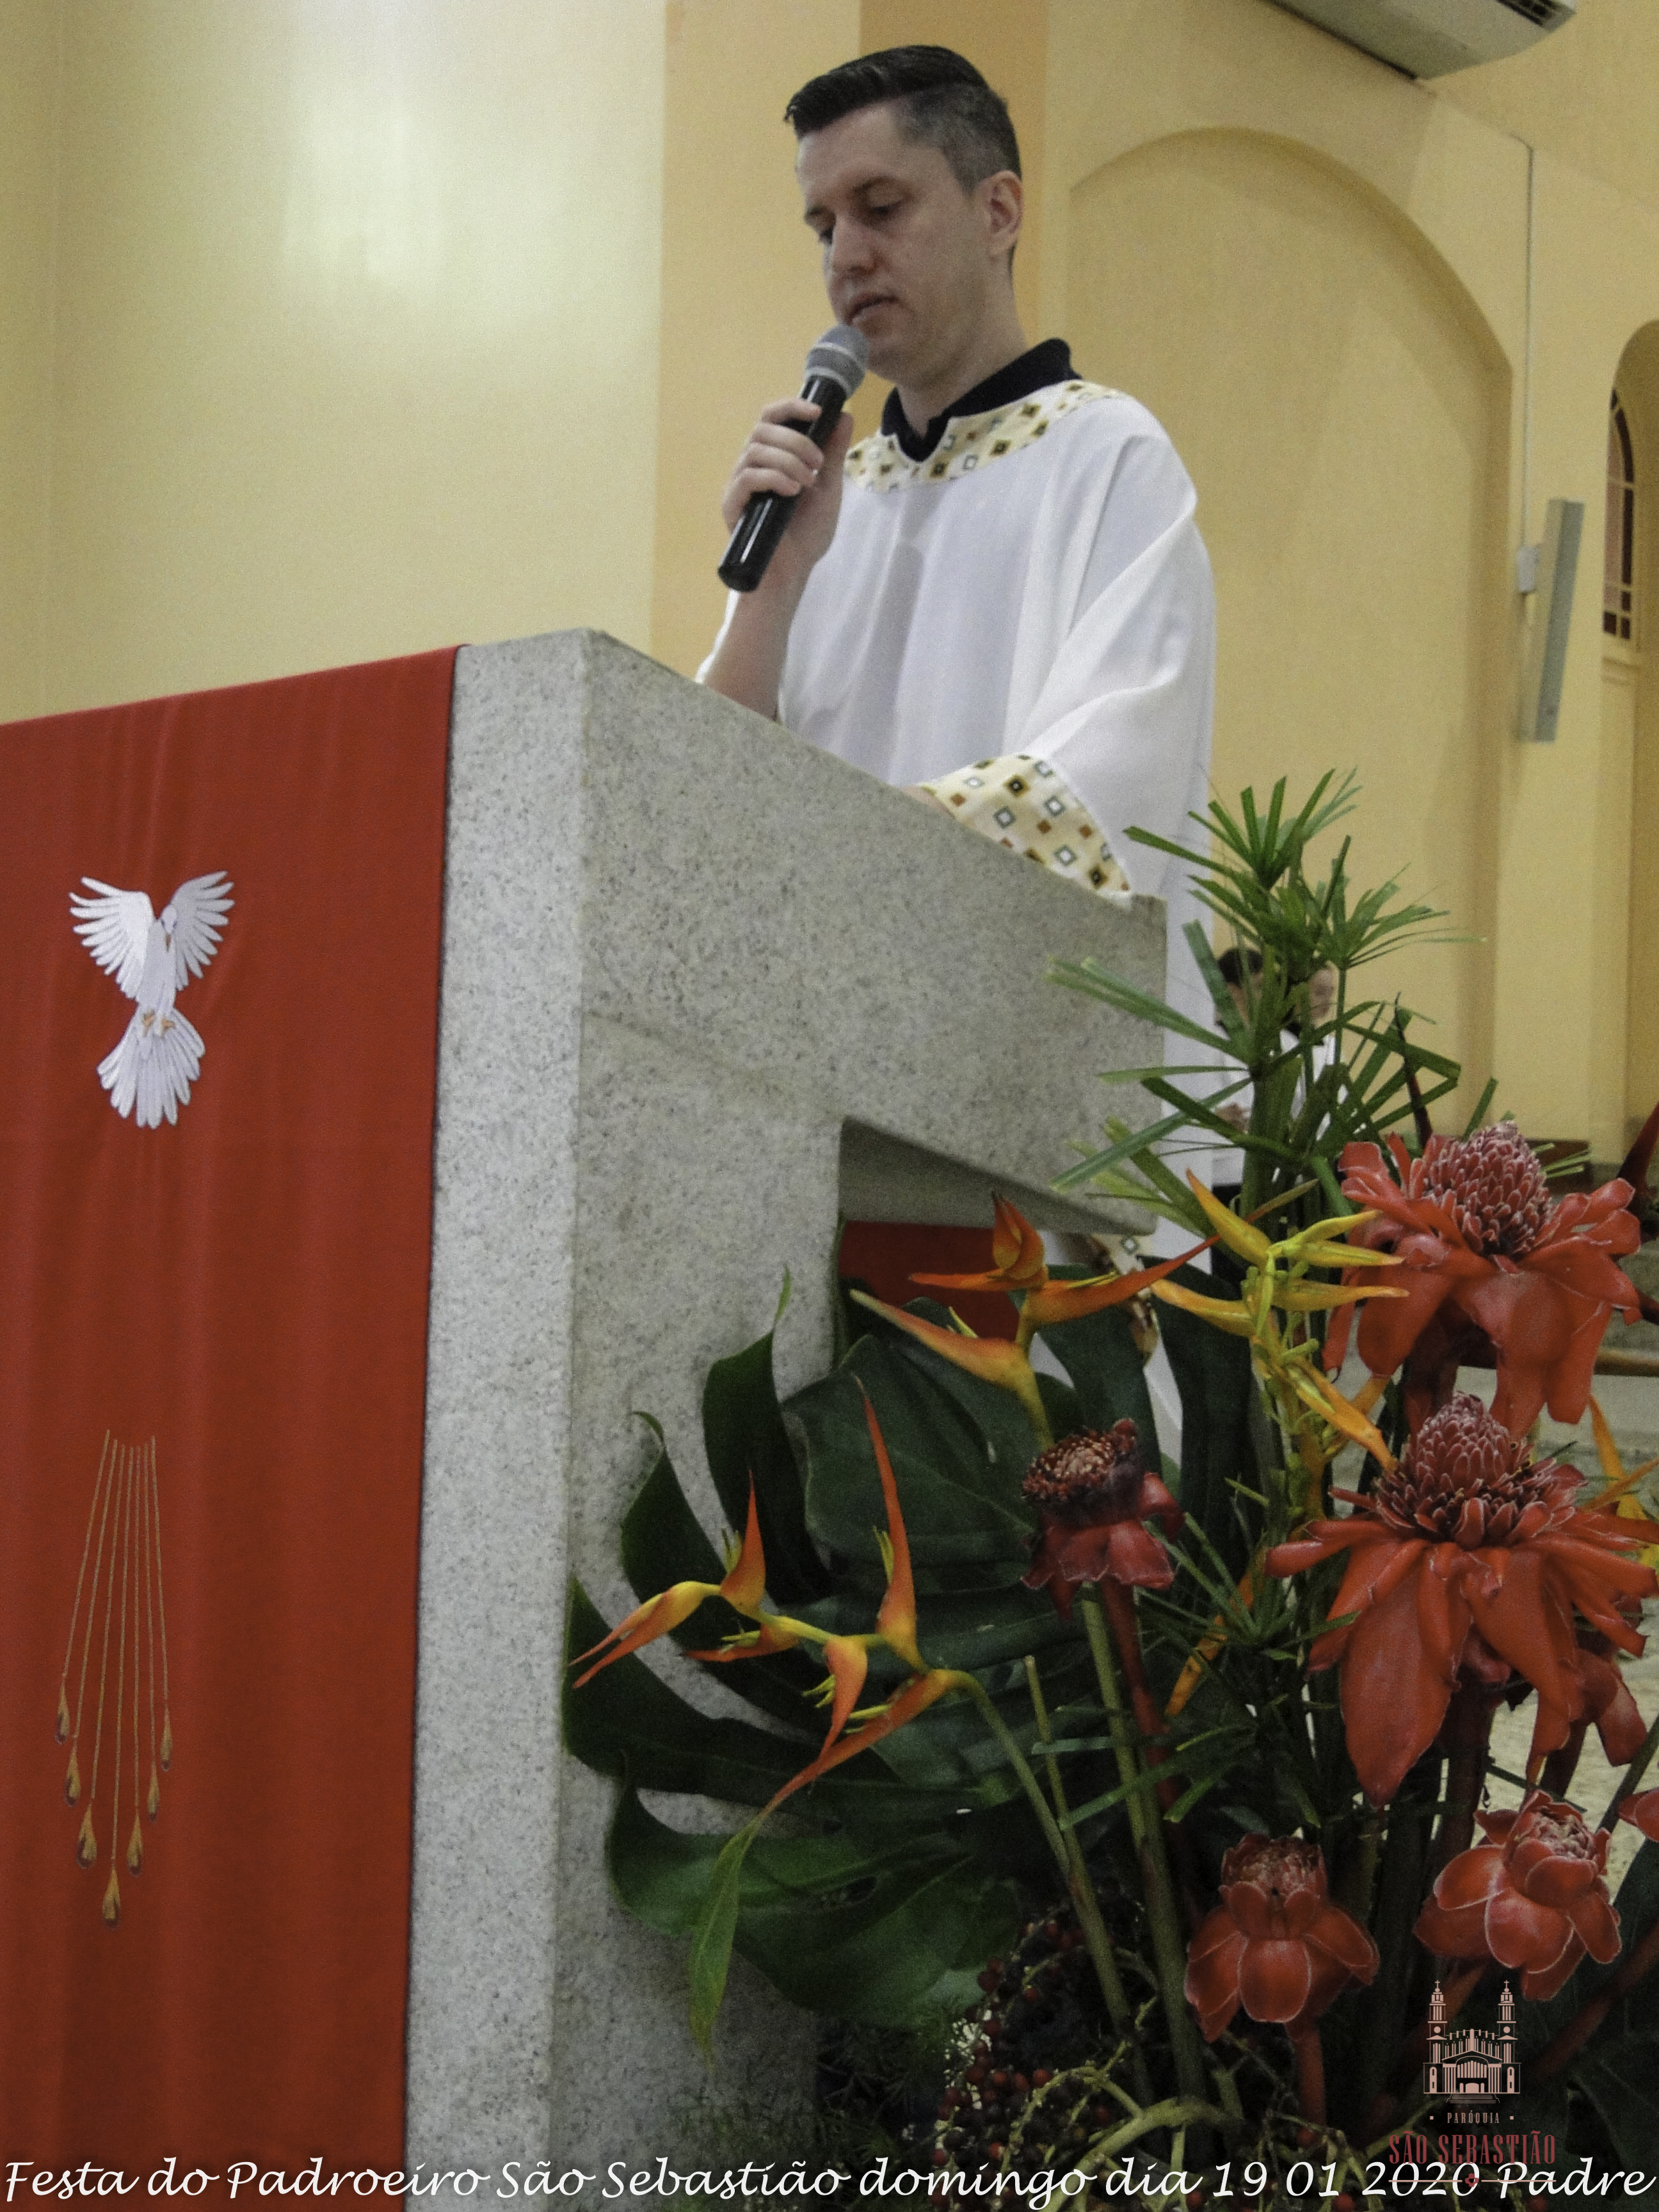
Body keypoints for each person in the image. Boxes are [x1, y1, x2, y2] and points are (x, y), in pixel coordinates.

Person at [700, 45, 1216, 1023]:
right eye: (824, 226)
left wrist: (831, 864)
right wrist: (771, 590)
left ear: (999, 212)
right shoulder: (825, 497)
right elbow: (712, 793)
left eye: (881, 208)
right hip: (822, 1030)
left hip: (1020, 1042)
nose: (846, 257)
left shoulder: (1109, 456)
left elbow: (1108, 785)